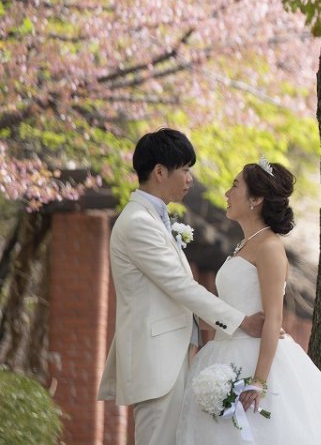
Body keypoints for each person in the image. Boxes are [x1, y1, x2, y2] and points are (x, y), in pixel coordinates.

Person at [178, 159, 321, 445]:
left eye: (235, 186)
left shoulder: (270, 247)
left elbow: (274, 318)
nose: (226, 192)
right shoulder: (243, 246)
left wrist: (259, 381)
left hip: (254, 358)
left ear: (256, 199)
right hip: (222, 352)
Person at [99, 128, 267, 445]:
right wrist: (241, 321)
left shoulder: (155, 218)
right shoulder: (138, 223)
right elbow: (181, 287)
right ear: (160, 172)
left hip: (174, 356)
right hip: (156, 360)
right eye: (185, 170)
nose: (190, 178)